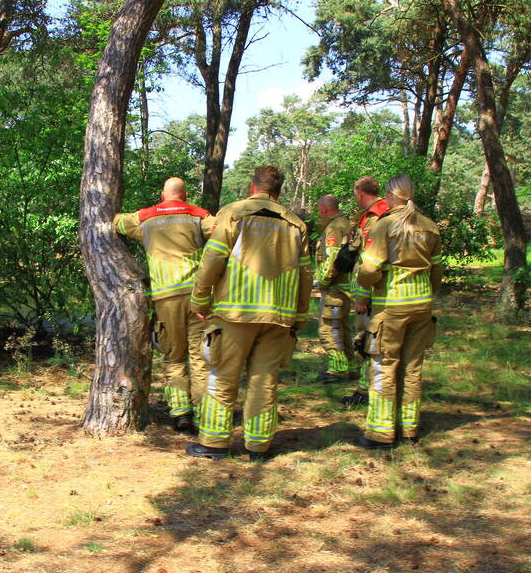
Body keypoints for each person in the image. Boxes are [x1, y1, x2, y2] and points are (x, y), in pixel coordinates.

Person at [186, 165, 312, 461]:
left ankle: (214, 443)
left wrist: (199, 298)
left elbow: (213, 258)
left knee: (222, 376)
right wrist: (300, 315)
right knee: (264, 382)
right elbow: (306, 275)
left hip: (236, 313)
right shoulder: (296, 224)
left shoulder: (233, 213)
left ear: (252, 187)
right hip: (278, 316)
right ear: (278, 191)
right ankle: (259, 447)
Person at [114, 177, 216, 433]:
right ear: (185, 195)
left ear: (162, 195)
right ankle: (204, 414)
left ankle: (181, 413)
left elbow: (117, 222)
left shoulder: (146, 219)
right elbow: (223, 233)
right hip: (197, 298)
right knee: (200, 359)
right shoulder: (198, 216)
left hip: (165, 299)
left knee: (173, 357)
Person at [354, 174, 442, 449]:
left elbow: (369, 269)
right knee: (412, 368)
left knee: (384, 366)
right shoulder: (430, 226)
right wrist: (427, 293)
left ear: (392, 195)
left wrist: (365, 284)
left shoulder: (385, 225)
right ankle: (409, 430)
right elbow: (437, 270)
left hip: (391, 306)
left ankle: (381, 433)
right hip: (422, 307)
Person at [340, 176, 390, 407]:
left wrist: (363, 294)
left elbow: (370, 259)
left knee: (366, 340)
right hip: (375, 289)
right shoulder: (380, 212)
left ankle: (365, 389)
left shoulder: (375, 216)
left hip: (371, 290)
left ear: (359, 193)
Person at [313, 195, 354, 383]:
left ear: (325, 209)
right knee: (342, 328)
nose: (318, 213)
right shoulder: (344, 224)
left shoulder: (334, 227)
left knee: (329, 329)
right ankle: (350, 367)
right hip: (343, 289)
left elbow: (331, 259)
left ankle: (337, 369)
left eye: (319, 209)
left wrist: (322, 281)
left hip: (335, 289)